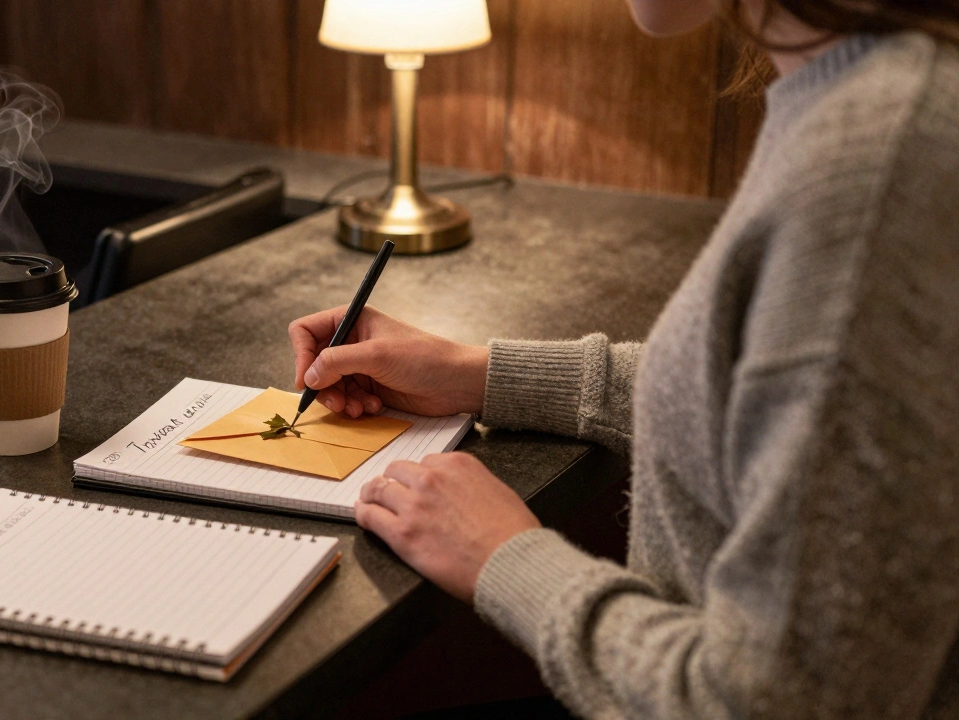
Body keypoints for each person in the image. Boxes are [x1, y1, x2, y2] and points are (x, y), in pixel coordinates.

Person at [288, 0, 959, 716]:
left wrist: (502, 556)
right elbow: (759, 398)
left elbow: (768, 704)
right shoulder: (863, 100)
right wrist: (476, 375)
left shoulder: (871, 174)